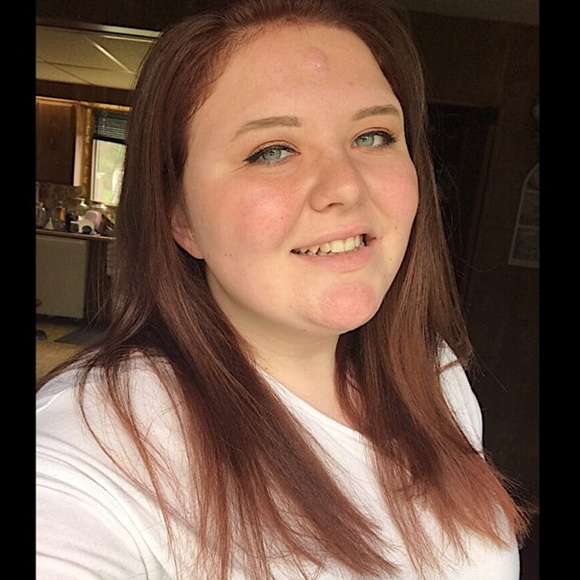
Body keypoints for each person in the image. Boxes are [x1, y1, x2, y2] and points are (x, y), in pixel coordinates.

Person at [36, 0, 530, 578]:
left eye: (374, 136)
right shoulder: (95, 451)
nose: (346, 185)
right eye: (272, 151)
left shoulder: (432, 373)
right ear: (180, 216)